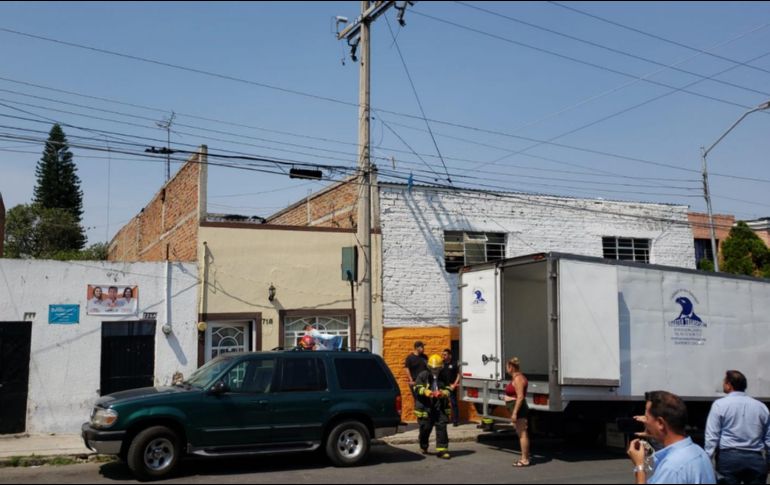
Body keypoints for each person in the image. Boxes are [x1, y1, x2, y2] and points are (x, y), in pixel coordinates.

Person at [627, 390, 716, 484]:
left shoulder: (672, 468)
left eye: (647, 418)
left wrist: (639, 467)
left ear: (660, 423)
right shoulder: (699, 452)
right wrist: (658, 434)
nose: (645, 423)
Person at [705, 370, 770, 485]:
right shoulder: (761, 407)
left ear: (729, 385)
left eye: (724, 382)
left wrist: (707, 460)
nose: (723, 385)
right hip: (755, 459)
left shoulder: (719, 405)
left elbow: (712, 436)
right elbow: (768, 438)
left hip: (729, 458)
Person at [414, 354, 453, 459]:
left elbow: (449, 388)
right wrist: (425, 391)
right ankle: (424, 445)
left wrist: (443, 393)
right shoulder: (423, 375)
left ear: (441, 367)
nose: (435, 371)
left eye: (437, 369)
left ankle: (442, 450)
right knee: (425, 428)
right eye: (433, 368)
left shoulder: (444, 376)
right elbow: (416, 388)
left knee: (442, 427)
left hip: (439, 405)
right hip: (426, 405)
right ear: (429, 367)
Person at [504, 357, 531, 467]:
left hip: (519, 409)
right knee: (521, 433)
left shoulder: (518, 379)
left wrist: (515, 412)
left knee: (522, 434)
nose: (506, 369)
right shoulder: (516, 378)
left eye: (507, 367)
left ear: (511, 367)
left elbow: (520, 397)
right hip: (516, 408)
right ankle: (525, 457)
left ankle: (525, 459)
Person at [442, 348, 461, 427]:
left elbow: (459, 375)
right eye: (443, 355)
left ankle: (455, 420)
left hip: (452, 386)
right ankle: (445, 419)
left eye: (445, 355)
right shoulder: (442, 364)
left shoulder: (454, 363)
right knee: (444, 403)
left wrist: (454, 384)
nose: (443, 356)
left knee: (454, 403)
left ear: (450, 355)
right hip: (443, 386)